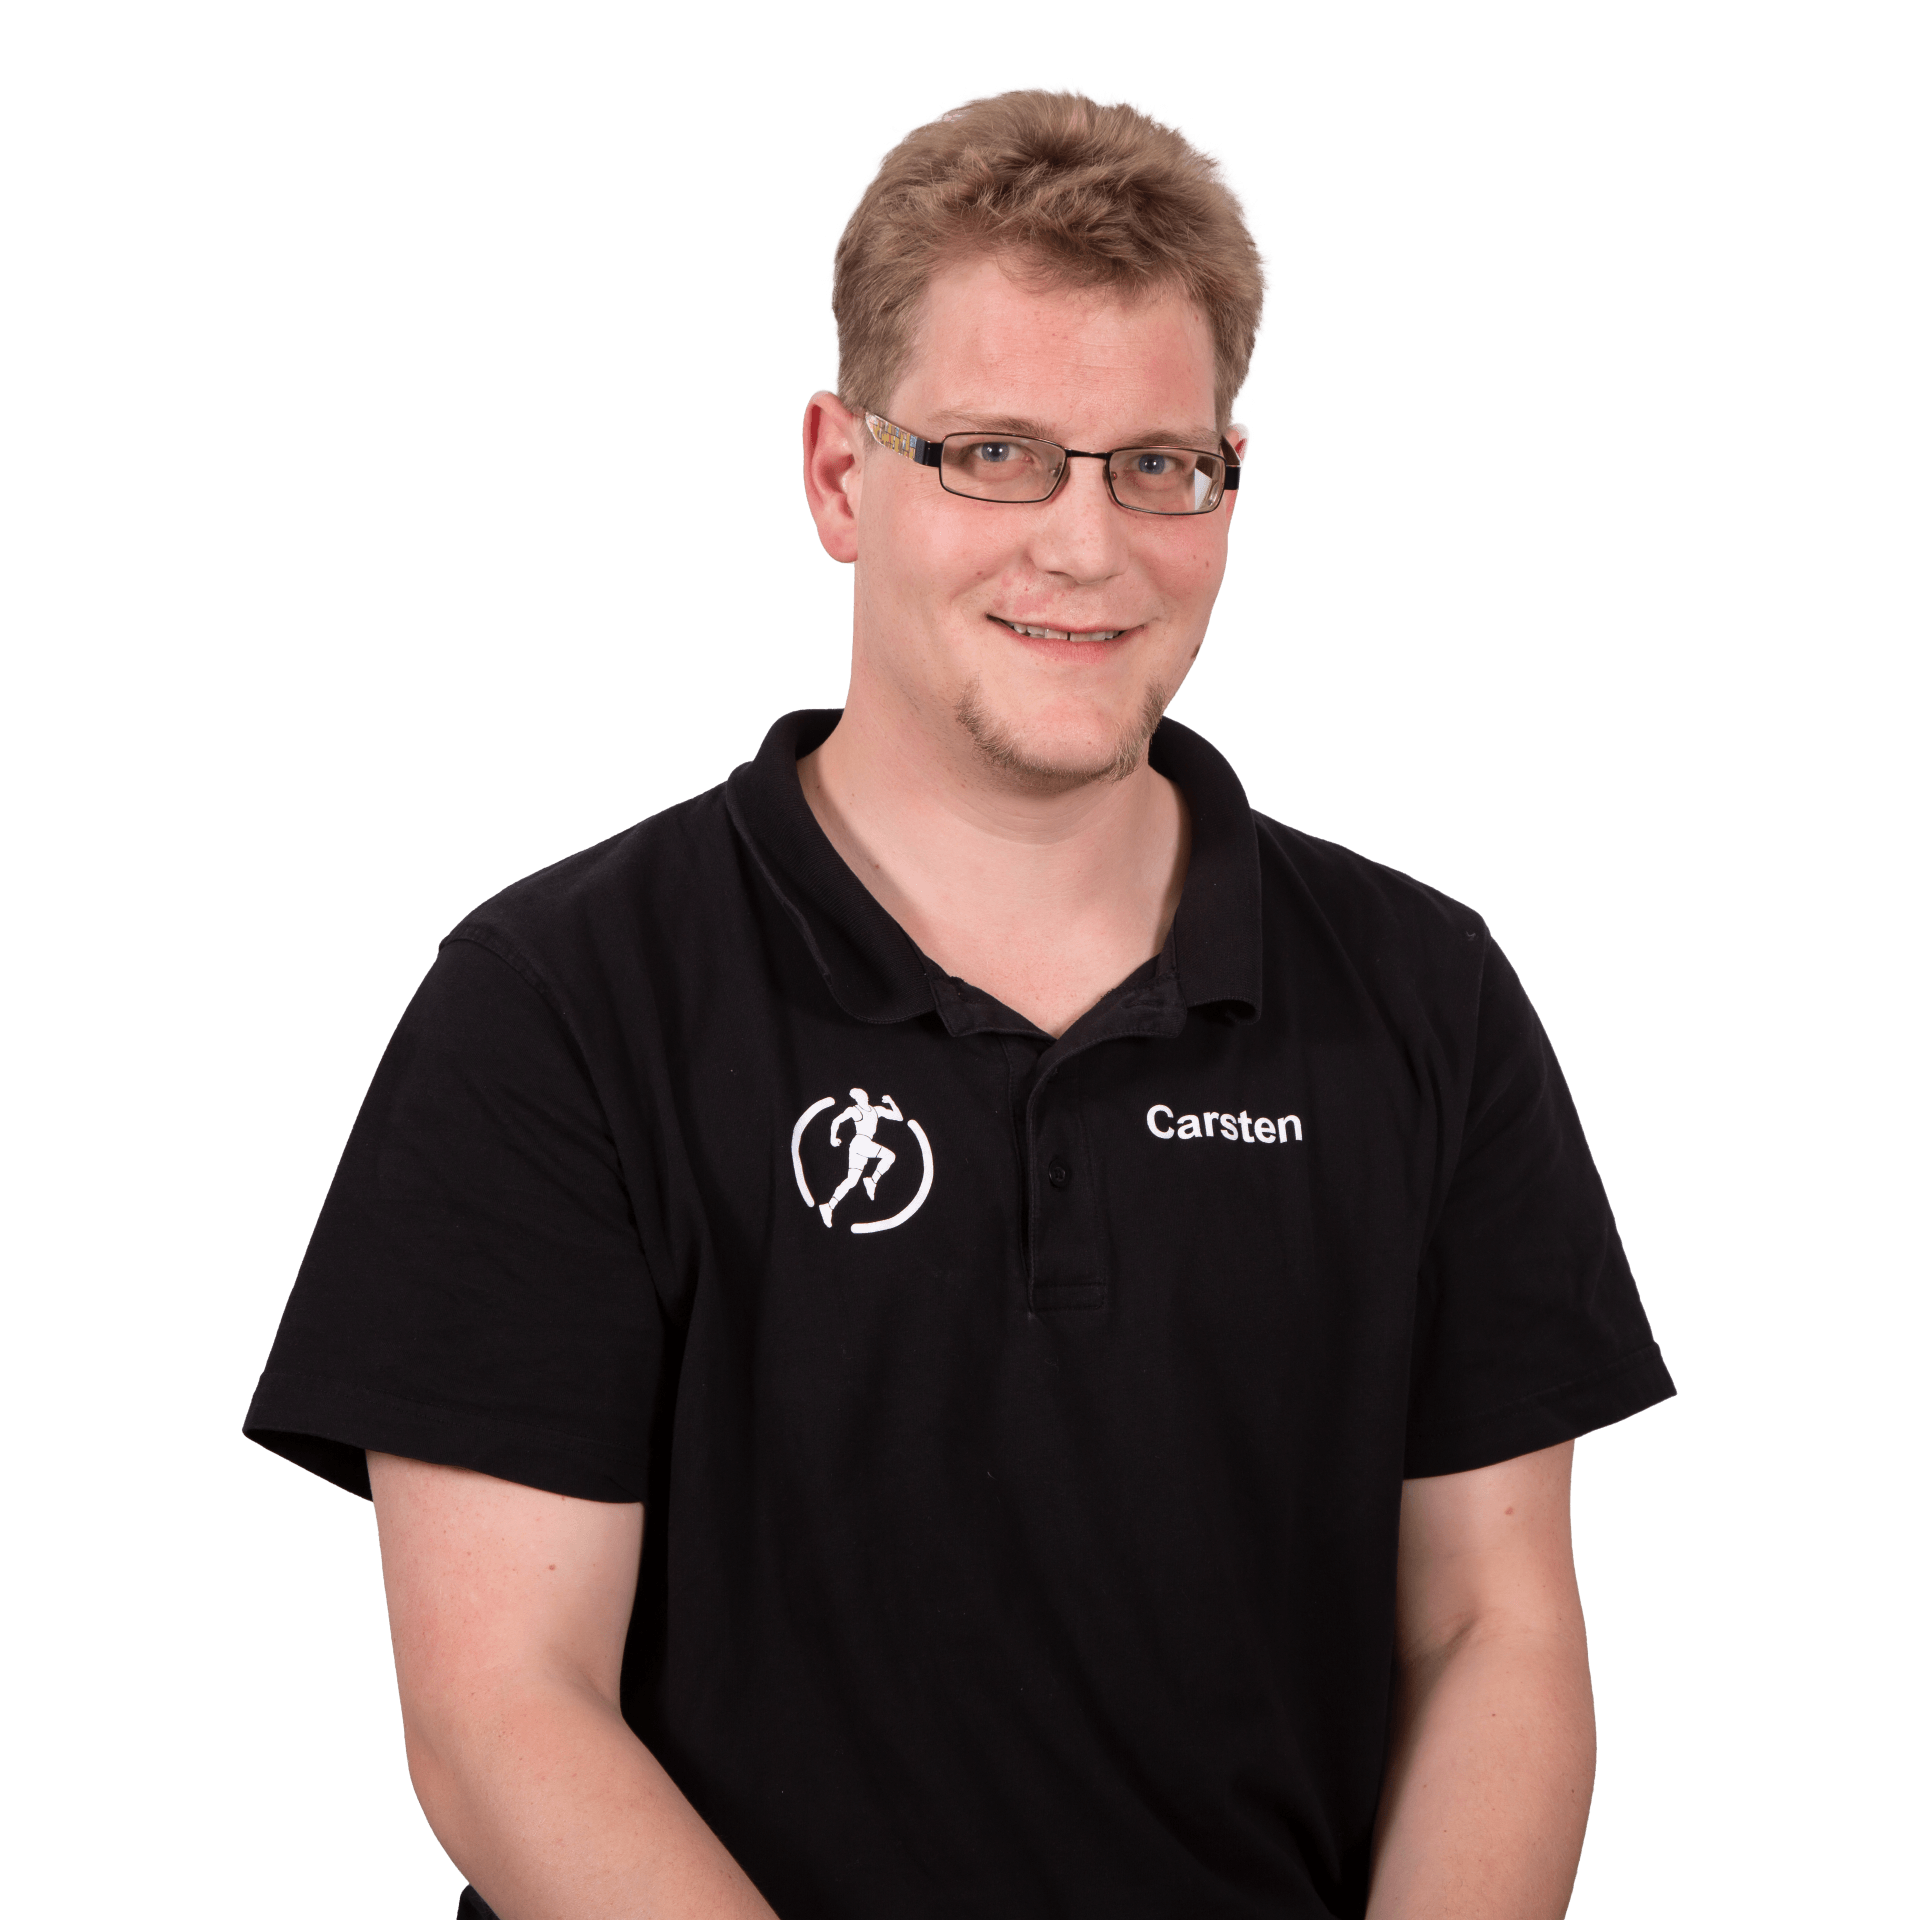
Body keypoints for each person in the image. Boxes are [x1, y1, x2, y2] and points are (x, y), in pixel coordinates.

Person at [244, 83, 1677, 1920]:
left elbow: (1493, 1630)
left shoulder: (1427, 998)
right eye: (996, 453)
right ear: (843, 475)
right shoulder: (558, 1006)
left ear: (1231, 479)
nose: (1085, 545)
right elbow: (501, 1714)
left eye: (1156, 464)